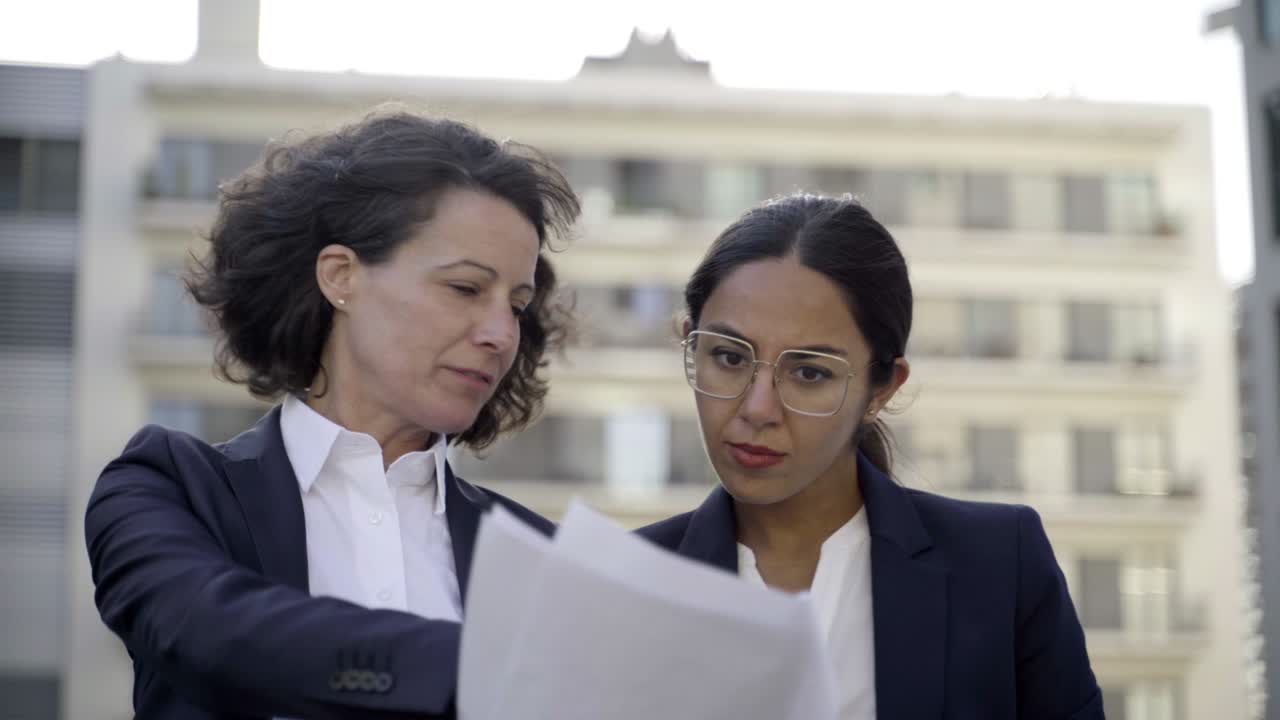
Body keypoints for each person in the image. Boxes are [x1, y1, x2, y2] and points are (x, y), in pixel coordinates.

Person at [84, 109, 579, 719]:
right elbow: (207, 632)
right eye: (465, 288)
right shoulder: (168, 488)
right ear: (341, 276)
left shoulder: (546, 559)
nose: (501, 333)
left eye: (518, 304)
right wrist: (490, 665)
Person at [638, 193, 1103, 719]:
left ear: (881, 388)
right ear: (690, 347)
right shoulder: (623, 587)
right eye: (727, 356)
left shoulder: (1001, 568)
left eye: (810, 372)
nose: (757, 408)